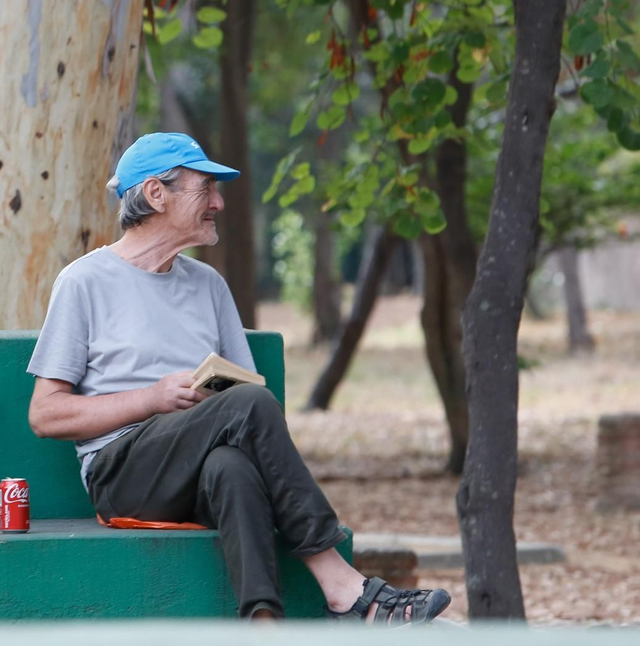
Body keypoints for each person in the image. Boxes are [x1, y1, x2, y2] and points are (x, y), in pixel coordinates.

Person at [26, 132, 449, 625]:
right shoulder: (84, 281)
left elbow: (246, 393)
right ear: (155, 194)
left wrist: (215, 395)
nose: (219, 203)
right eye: (206, 189)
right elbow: (45, 413)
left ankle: (263, 624)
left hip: (199, 465)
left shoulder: (208, 285)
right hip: (122, 473)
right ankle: (344, 588)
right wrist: (154, 397)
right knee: (246, 406)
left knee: (232, 466)